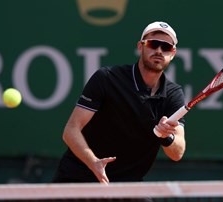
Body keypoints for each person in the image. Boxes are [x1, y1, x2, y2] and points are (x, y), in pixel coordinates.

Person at [53, 21, 186, 184]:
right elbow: (71, 130)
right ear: (140, 46)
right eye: (153, 44)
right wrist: (94, 162)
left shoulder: (173, 95)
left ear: (173, 53)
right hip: (78, 177)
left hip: (128, 184)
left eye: (165, 47)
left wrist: (166, 137)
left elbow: (177, 152)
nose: (158, 50)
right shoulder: (107, 78)